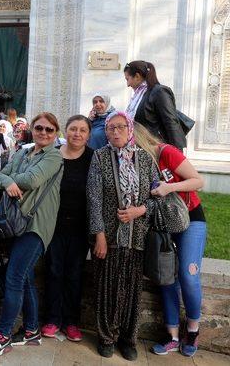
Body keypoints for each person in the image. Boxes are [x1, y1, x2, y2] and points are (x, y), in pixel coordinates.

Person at [0, 112, 63, 358]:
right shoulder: (22, 152)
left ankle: (3, 334)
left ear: (56, 133)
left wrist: (10, 180)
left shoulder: (55, 156)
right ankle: (30, 330)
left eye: (49, 130)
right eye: (39, 128)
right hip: (17, 221)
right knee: (25, 278)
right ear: (33, 129)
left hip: (37, 225)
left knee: (14, 277)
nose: (44, 133)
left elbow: (32, 179)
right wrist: (7, 182)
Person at [87, 111, 159, 361]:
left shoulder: (147, 160)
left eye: (120, 127)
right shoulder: (100, 157)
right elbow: (94, 198)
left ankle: (129, 339)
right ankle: (106, 337)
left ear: (130, 129)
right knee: (106, 288)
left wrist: (140, 210)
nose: (115, 132)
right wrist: (100, 236)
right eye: (110, 128)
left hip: (137, 237)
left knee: (132, 290)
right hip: (109, 236)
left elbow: (157, 198)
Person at [133, 124, 206, 358]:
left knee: (188, 275)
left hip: (190, 219)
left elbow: (197, 181)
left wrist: (169, 187)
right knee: (165, 277)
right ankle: (172, 336)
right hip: (163, 224)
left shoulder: (166, 152)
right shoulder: (135, 162)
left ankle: (193, 330)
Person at [42, 115, 94, 342]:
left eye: (83, 130)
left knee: (74, 274)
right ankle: (52, 319)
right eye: (73, 129)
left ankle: (71, 321)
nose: (77, 134)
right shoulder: (54, 156)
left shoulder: (94, 158)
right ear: (65, 131)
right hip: (54, 225)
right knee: (53, 271)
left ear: (88, 135)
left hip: (80, 228)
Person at [124, 60, 186, 149]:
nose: (128, 84)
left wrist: (177, 153)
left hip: (154, 148)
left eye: (127, 79)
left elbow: (170, 122)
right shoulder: (138, 95)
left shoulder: (159, 92)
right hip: (139, 148)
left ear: (137, 76)